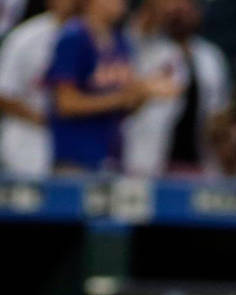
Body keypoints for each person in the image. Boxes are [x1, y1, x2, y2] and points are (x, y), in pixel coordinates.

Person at [45, 0, 177, 171]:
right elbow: (66, 103)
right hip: (74, 158)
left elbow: (127, 108)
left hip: (112, 155)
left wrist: (146, 92)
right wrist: (124, 97)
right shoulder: (73, 37)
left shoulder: (121, 40)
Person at [122, 0, 230, 176]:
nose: (182, 14)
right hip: (148, 158)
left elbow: (218, 110)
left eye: (188, 9)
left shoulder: (210, 56)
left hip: (197, 161)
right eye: (176, 10)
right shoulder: (147, 48)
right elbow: (139, 28)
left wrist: (221, 127)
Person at [0, 0, 78, 176]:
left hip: (73, 141)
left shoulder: (91, 34)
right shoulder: (26, 36)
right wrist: (43, 119)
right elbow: (4, 93)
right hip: (27, 139)